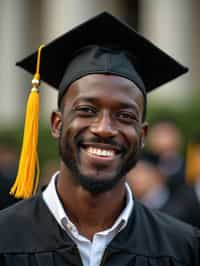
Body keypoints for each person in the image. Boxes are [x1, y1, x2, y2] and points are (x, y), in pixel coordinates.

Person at [0, 12, 199, 266]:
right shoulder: (5, 239)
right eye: (87, 110)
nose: (104, 128)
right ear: (57, 124)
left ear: (142, 135)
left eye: (125, 115)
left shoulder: (183, 249)